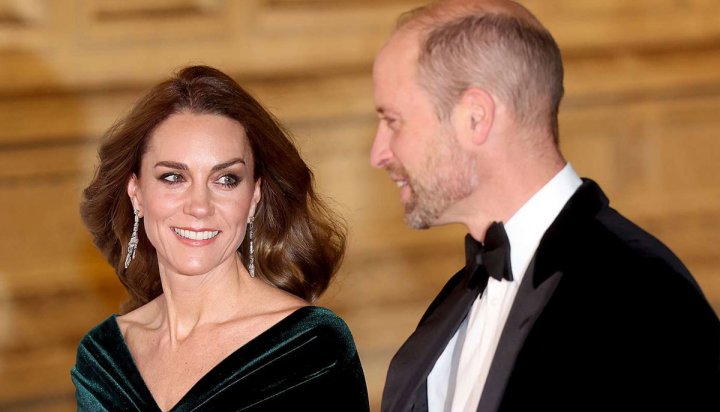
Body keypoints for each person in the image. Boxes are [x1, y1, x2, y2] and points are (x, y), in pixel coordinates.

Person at [370, 1, 720, 411]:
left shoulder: (645, 297)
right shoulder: (457, 300)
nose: (378, 154)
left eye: (393, 121)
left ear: (475, 118)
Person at [71, 65, 369, 411]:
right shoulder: (103, 361)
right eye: (173, 177)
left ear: (254, 196)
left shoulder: (311, 349)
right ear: (136, 192)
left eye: (226, 179)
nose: (199, 206)